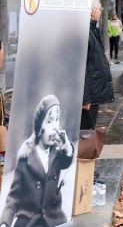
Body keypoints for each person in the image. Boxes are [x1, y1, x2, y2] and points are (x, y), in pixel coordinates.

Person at [1, 95, 74, 227]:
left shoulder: (57, 152)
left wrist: (68, 148)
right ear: (40, 127)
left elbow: (66, 161)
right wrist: (5, 223)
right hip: (30, 219)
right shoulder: (26, 158)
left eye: (57, 120)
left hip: (53, 218)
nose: (55, 127)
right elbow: (14, 197)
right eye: (50, 121)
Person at [83, 0, 115, 129]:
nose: (101, 11)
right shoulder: (86, 33)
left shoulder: (92, 30)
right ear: (91, 11)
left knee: (88, 131)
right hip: (89, 96)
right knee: (85, 133)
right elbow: (81, 67)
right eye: (99, 8)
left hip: (93, 93)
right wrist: (85, 98)